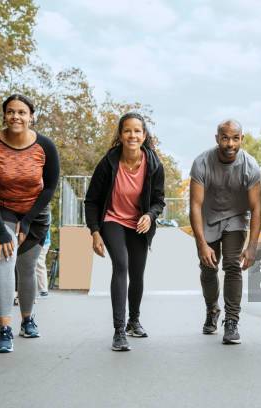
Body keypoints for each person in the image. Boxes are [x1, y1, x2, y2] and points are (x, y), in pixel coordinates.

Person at [0, 94, 59, 353]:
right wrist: (1, 230)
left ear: (31, 116)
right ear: (4, 115)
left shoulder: (45, 146)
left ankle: (27, 319)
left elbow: (50, 187)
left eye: (22, 112)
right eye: (11, 112)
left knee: (27, 266)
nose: (16, 117)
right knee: (5, 259)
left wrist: (29, 218)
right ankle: (4, 329)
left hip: (35, 212)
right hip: (1, 210)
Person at [84, 112, 165, 352]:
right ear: (120, 135)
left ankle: (133, 321)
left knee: (137, 273)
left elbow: (159, 201)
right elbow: (92, 201)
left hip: (139, 223)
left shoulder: (154, 164)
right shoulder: (108, 162)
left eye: (137, 131)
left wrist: (149, 216)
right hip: (112, 219)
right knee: (121, 265)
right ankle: (119, 331)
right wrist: (95, 232)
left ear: (144, 135)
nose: (132, 135)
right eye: (127, 130)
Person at [189, 119, 261, 345]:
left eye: (235, 138)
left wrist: (252, 246)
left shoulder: (250, 166)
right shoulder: (202, 162)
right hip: (208, 218)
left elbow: (256, 208)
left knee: (232, 265)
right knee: (208, 268)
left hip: (236, 220)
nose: (230, 143)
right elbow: (195, 205)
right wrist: (201, 244)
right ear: (217, 138)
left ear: (242, 139)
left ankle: (231, 321)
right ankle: (212, 309)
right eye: (225, 137)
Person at [35, 212, 51, 297]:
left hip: (43, 242)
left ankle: (43, 289)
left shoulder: (44, 211)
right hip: (43, 241)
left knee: (39, 263)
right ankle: (42, 289)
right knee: (38, 264)